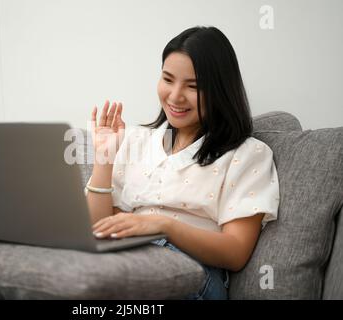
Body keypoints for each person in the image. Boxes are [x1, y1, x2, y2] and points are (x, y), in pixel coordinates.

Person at [85, 26, 280, 300]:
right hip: (127, 257)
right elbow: (99, 229)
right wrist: (104, 159)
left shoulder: (247, 154)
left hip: (193, 271)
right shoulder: (135, 139)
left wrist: (164, 225)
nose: (175, 96)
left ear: (220, 90)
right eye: (167, 79)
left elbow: (235, 252)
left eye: (194, 86)